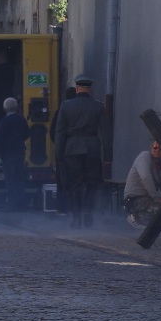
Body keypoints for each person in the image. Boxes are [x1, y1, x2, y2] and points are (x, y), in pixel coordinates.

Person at [54, 73, 107, 229]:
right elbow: (106, 132)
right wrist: (108, 154)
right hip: (92, 148)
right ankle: (88, 212)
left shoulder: (66, 106)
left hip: (71, 149)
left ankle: (76, 217)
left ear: (77, 88)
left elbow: (60, 132)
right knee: (91, 182)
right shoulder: (98, 106)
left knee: (75, 183)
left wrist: (59, 153)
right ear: (90, 89)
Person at [123, 141, 161, 229]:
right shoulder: (144, 157)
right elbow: (145, 177)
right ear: (152, 147)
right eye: (155, 147)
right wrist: (156, 197)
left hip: (149, 199)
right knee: (159, 210)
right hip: (135, 199)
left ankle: (152, 222)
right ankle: (135, 217)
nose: (157, 150)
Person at [0, 97, 30, 211]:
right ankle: (22, 203)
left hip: (8, 153)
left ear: (5, 108)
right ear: (17, 107)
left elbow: (0, 138)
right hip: (19, 151)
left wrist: (0, 153)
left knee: (10, 179)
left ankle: (12, 204)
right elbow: (27, 133)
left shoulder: (4, 121)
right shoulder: (21, 119)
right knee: (19, 177)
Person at [49, 86, 76, 214]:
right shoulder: (80, 110)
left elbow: (53, 132)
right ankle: (77, 207)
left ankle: (62, 207)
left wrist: (59, 145)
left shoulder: (60, 110)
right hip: (78, 150)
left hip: (63, 149)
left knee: (62, 179)